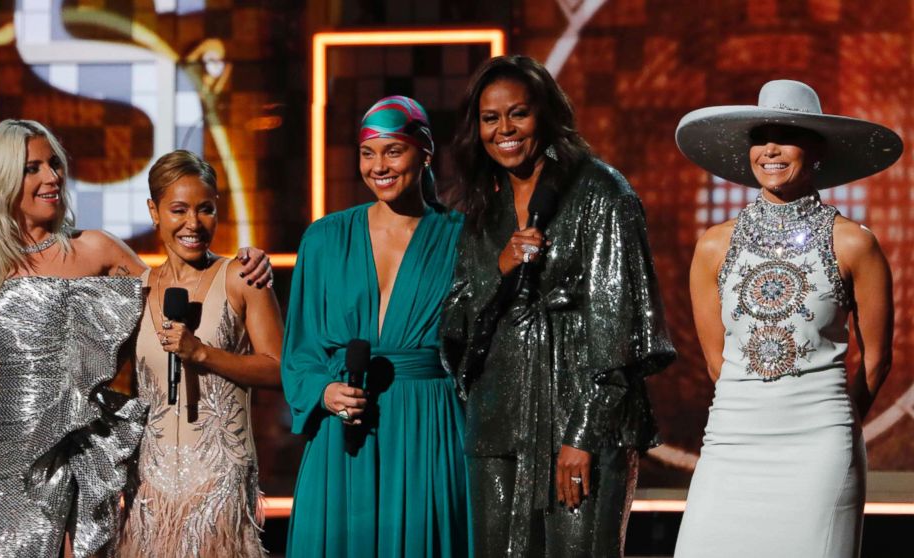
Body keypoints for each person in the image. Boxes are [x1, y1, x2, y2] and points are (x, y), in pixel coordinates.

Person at [0, 119, 270, 557]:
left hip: (87, 445)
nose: (52, 177)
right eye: (33, 168)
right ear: (2, 176)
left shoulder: (97, 249)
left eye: (54, 164)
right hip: (7, 449)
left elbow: (171, 285)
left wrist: (242, 262)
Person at [440, 55, 675, 557]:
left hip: (579, 425)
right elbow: (456, 323)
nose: (504, 129)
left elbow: (621, 327)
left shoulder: (603, 193)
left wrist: (583, 435)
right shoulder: (483, 207)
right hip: (498, 427)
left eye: (517, 114)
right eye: (489, 118)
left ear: (546, 115)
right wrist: (497, 271)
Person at [672, 80, 900, 557]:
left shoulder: (855, 243)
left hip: (820, 448)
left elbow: (877, 361)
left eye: (787, 135)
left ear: (817, 150)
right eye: (761, 136)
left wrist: (831, 422)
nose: (771, 149)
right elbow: (718, 363)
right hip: (731, 444)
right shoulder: (713, 245)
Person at [283, 96, 470, 557]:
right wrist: (324, 391)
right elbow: (300, 351)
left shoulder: (462, 236)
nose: (379, 166)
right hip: (342, 434)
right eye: (368, 153)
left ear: (424, 152)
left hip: (429, 427)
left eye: (393, 151)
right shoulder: (324, 238)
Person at [117, 150, 283, 557]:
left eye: (205, 209)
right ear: (154, 212)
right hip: (150, 489)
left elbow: (280, 370)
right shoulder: (133, 290)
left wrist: (202, 353)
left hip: (219, 484)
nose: (193, 224)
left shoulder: (243, 277)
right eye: (178, 210)